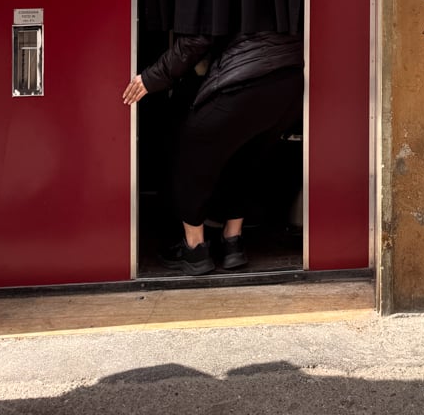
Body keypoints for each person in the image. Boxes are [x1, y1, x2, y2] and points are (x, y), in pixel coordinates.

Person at [122, 30, 303, 274]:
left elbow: (198, 38)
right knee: (244, 157)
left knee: (188, 151)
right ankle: (233, 243)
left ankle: (195, 249)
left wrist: (152, 77)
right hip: (290, 81)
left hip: (245, 78)